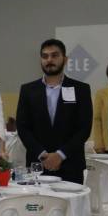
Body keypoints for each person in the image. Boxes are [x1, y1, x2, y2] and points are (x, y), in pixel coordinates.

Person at [15, 39, 93, 184]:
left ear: (65, 59)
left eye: (54, 55)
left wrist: (60, 155)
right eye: (45, 56)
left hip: (71, 165)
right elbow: (23, 127)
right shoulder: (28, 90)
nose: (49, 60)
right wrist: (43, 155)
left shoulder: (81, 89)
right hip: (38, 165)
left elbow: (84, 129)